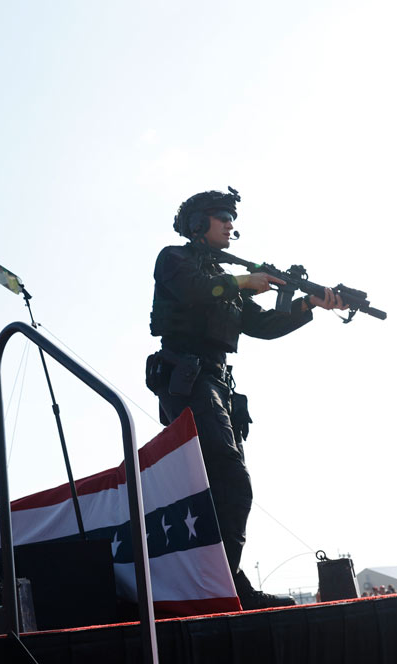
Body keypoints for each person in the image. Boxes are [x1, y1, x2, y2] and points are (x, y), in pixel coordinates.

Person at [146, 187, 347, 610]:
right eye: (222, 217)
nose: (229, 225)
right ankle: (222, 585)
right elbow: (197, 290)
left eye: (230, 219)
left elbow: (264, 326)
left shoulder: (225, 279)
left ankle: (226, 580)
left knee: (224, 487)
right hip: (188, 379)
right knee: (232, 480)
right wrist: (244, 282)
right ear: (197, 224)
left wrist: (309, 304)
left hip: (217, 385)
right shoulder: (174, 259)